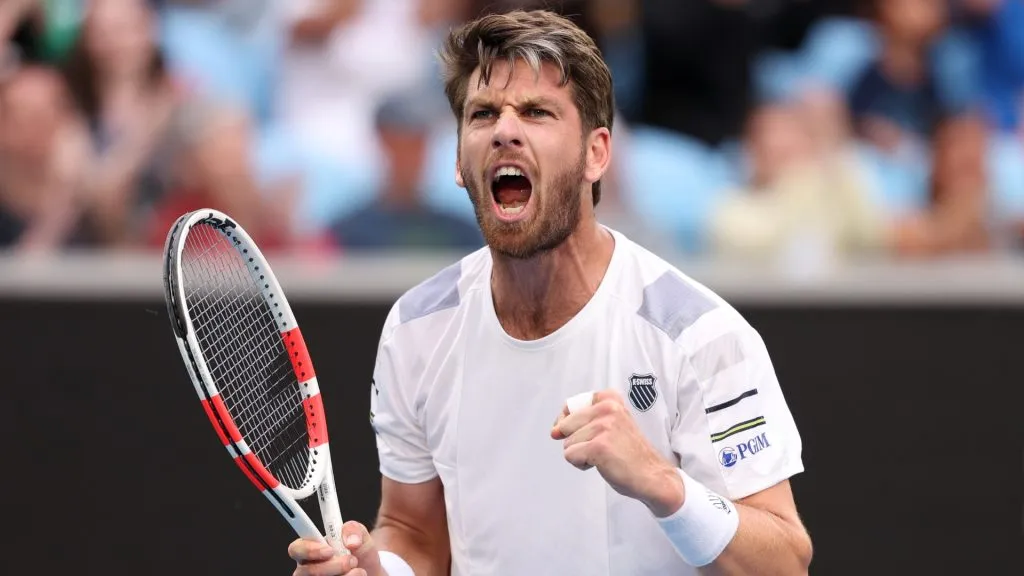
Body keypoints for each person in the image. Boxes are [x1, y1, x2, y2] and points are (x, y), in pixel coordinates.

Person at [289, 10, 813, 576]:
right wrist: (377, 569)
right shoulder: (416, 327)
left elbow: (785, 563)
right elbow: (415, 532)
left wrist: (665, 485)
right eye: (483, 114)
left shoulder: (699, 335)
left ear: (596, 153)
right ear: (461, 163)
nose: (504, 130)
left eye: (537, 112)